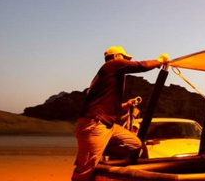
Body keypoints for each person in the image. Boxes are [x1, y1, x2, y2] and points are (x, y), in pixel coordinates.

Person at [71, 46, 169, 181]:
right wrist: (159, 60)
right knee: (85, 169)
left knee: (134, 145)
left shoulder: (107, 76)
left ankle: (98, 153)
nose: (127, 61)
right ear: (116, 56)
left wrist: (125, 105)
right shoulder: (112, 65)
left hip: (106, 125)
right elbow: (141, 66)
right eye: (125, 58)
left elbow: (103, 104)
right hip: (95, 124)